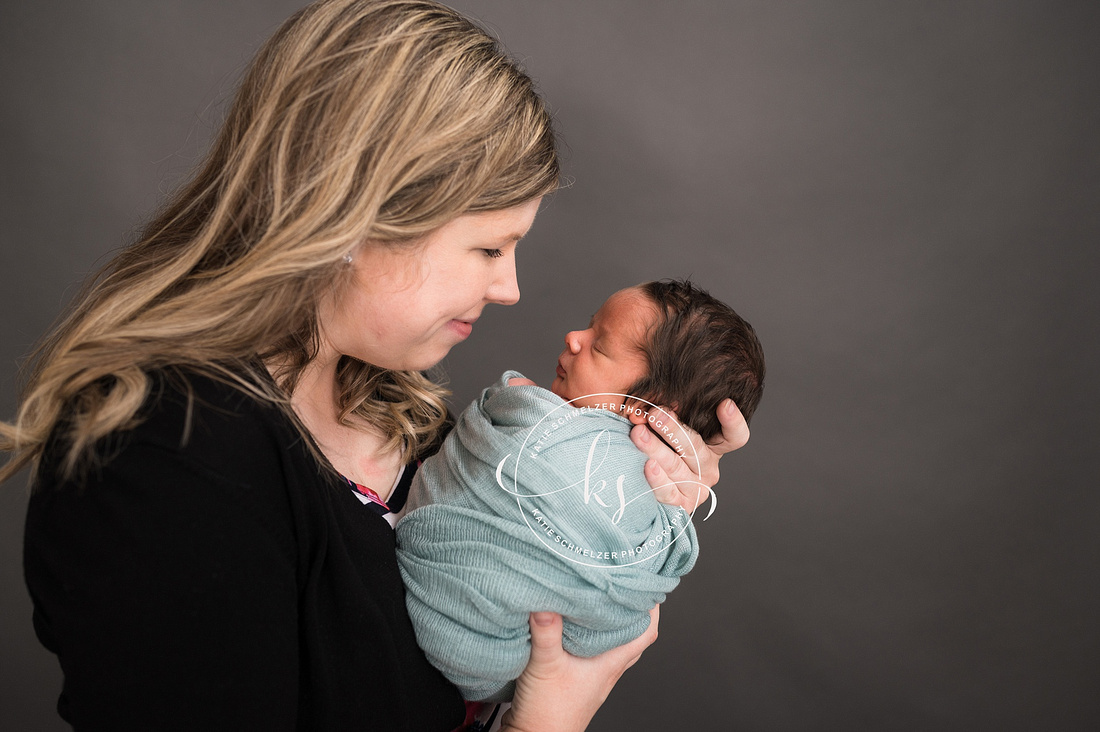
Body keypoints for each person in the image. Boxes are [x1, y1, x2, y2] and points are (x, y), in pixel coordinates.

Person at [0, 1, 749, 730]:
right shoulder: (162, 458)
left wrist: (631, 498)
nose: (511, 288)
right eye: (489, 247)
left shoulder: (404, 410)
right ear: (355, 215)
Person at [396, 279, 765, 703]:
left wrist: (514, 395)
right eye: (588, 328)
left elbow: (506, 411)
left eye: (599, 345)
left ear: (652, 405)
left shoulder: (546, 420)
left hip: (449, 623)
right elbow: (663, 558)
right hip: (505, 673)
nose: (573, 338)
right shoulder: (665, 490)